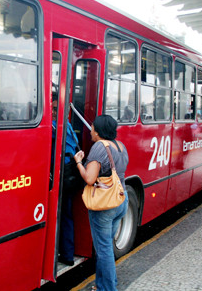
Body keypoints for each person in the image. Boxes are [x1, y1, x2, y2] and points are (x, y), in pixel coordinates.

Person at [73, 115, 129, 291]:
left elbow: (90, 179)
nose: (90, 129)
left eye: (92, 127)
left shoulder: (99, 147)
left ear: (98, 131)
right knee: (106, 247)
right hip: (121, 200)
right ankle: (103, 284)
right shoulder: (120, 146)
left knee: (103, 249)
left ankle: (108, 288)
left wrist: (79, 162)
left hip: (105, 206)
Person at [51, 98, 80, 266]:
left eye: (56, 109)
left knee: (60, 215)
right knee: (66, 216)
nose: (53, 112)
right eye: (52, 109)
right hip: (70, 178)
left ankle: (63, 254)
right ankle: (67, 254)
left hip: (62, 179)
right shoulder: (68, 126)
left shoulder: (56, 127)